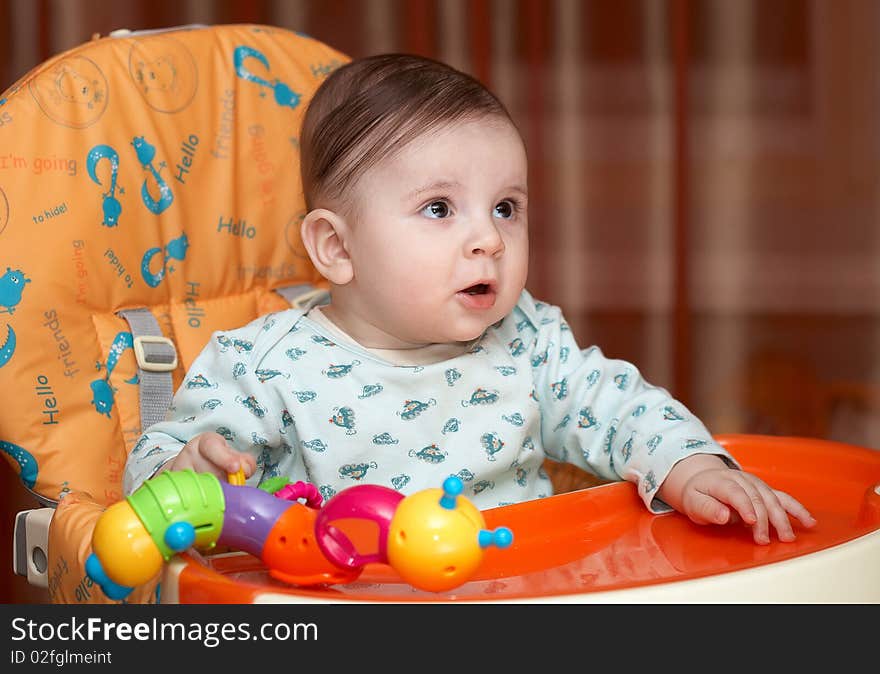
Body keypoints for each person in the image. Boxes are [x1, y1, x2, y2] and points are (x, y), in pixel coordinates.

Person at [123, 53, 815, 545]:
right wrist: (186, 474)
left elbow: (619, 407)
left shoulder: (528, 339)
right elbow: (150, 494)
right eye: (438, 208)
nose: (488, 238)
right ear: (337, 248)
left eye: (506, 207)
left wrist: (690, 466)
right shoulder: (263, 367)